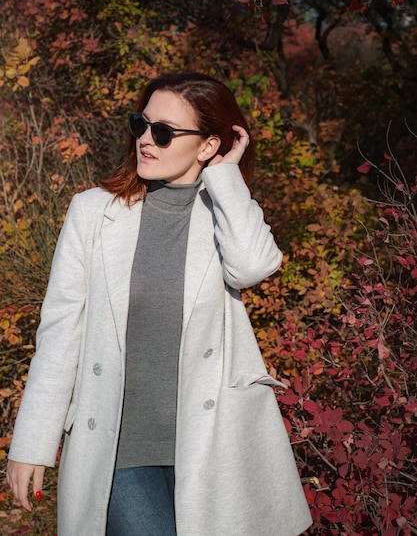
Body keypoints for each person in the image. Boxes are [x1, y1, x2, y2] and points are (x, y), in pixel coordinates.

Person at [7, 72, 312, 536]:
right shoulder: (93, 212)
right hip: (118, 447)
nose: (147, 140)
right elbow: (59, 333)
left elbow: (252, 266)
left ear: (207, 146)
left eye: (165, 132)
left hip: (210, 447)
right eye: (142, 124)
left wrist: (225, 176)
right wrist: (31, 443)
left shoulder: (224, 216)